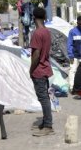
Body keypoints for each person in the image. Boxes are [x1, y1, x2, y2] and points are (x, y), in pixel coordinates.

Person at [29, 7, 54, 136]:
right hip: (46, 68)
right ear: (44, 18)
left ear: (33, 18)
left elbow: (36, 55)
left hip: (39, 70)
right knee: (45, 98)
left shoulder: (37, 33)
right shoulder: (46, 32)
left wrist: (30, 69)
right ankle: (45, 123)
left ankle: (48, 125)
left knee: (43, 98)